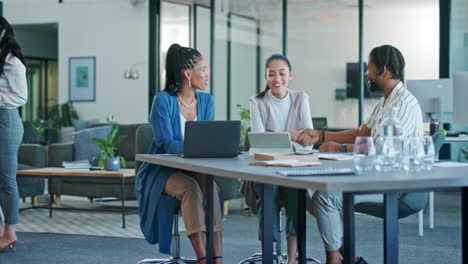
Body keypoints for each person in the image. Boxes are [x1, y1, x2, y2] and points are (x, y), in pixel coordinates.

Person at [296, 45, 423, 264]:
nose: (366, 73)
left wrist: (340, 148)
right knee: (310, 196)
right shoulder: (385, 101)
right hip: (376, 176)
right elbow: (360, 134)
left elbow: (380, 147)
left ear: (382, 70)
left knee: (326, 197)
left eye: (369, 68)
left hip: (399, 185)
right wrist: (321, 135)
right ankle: (351, 257)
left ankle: (334, 260)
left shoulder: (403, 104)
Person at [136, 44, 223, 264]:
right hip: (162, 172)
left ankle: (218, 259)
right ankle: (203, 259)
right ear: (187, 73)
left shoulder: (206, 101)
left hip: (195, 168)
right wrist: (196, 147)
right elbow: (166, 143)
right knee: (190, 188)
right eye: (203, 69)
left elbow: (208, 137)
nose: (206, 74)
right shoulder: (163, 101)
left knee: (210, 186)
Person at [250, 54, 313, 264]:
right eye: (271, 73)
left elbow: (309, 140)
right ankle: (268, 256)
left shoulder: (300, 99)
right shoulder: (257, 102)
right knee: (269, 195)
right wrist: (293, 137)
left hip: (294, 167)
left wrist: (279, 140)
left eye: (282, 73)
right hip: (265, 168)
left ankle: (291, 260)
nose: (277, 78)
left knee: (296, 195)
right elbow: (259, 142)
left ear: (290, 75)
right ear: (266, 77)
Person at [0, 16, 27, 253]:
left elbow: (21, 97)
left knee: (6, 180)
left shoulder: (13, 63)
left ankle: (9, 232)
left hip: (6, 122)